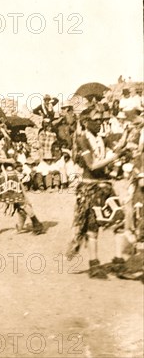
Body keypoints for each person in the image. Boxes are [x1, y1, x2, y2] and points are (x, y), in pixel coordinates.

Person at [66, 110, 134, 279]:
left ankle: (119, 262)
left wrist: (126, 133)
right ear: (86, 122)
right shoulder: (82, 140)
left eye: (102, 119)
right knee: (92, 228)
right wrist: (114, 158)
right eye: (97, 120)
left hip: (105, 187)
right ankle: (94, 265)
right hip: (90, 188)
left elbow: (116, 148)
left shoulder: (101, 138)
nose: (101, 122)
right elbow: (93, 165)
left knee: (118, 220)